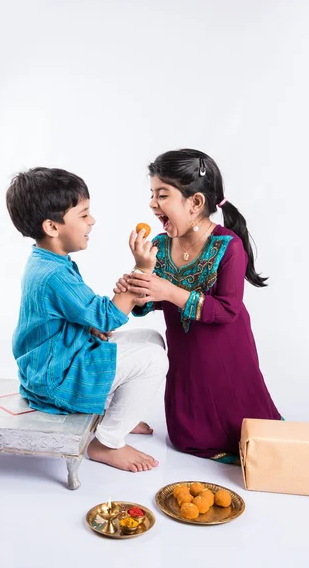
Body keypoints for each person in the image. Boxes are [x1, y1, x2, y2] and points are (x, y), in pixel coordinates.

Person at [114, 149, 281, 464]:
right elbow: (151, 303)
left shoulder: (227, 246)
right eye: (151, 194)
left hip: (227, 350)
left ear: (195, 203)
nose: (152, 203)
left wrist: (169, 291)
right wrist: (140, 287)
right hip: (185, 352)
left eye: (162, 195)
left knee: (239, 418)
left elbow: (228, 310)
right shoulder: (160, 246)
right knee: (188, 428)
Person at [6, 167, 168, 472]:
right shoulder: (53, 273)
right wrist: (142, 269)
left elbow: (78, 314)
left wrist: (102, 314)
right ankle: (107, 443)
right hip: (57, 379)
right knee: (154, 359)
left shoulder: (49, 261)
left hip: (55, 363)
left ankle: (114, 415)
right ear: (53, 227)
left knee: (151, 339)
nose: (92, 221)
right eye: (83, 214)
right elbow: (106, 317)